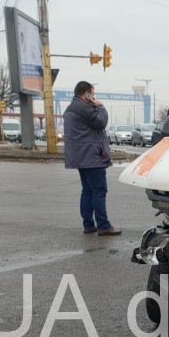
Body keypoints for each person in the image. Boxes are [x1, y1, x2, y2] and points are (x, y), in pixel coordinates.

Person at [63, 81, 121, 236]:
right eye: (93, 94)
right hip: (92, 156)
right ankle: (103, 225)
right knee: (99, 191)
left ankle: (88, 224)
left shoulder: (71, 108)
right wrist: (100, 105)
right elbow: (101, 122)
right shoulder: (84, 107)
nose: (94, 97)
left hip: (81, 156)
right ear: (87, 94)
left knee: (87, 191)